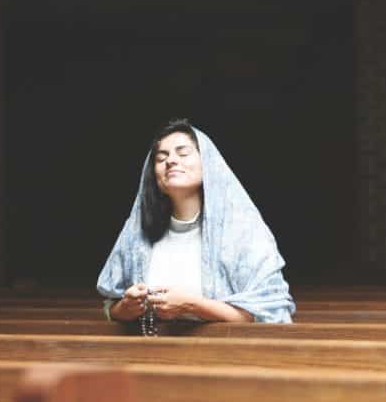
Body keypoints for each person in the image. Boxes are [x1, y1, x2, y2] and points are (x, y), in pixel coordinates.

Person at [97, 118, 295, 329]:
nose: (171, 161)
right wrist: (127, 308)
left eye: (183, 153)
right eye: (161, 157)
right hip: (149, 356)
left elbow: (270, 315)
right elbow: (112, 308)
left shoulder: (244, 232)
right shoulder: (137, 234)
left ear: (208, 164)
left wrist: (191, 305)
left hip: (224, 357)